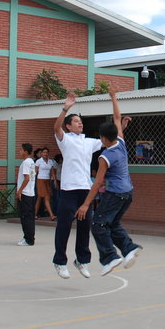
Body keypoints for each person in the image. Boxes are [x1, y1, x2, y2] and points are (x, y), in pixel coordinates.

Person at [76, 87, 141, 276]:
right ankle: (129, 248)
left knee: (98, 224)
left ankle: (110, 257)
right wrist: (113, 97)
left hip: (115, 194)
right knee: (112, 224)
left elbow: (97, 183)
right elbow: (117, 118)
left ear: (104, 138)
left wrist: (86, 205)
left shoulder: (105, 156)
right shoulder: (120, 142)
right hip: (128, 193)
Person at [52, 92, 101, 279]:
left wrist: (122, 126)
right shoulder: (65, 140)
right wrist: (66, 108)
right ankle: (59, 261)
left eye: (81, 121)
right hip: (68, 191)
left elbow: (109, 141)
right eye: (76, 121)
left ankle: (81, 260)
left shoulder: (89, 142)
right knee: (64, 226)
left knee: (85, 225)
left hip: (85, 190)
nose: (80, 123)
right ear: (68, 125)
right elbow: (56, 127)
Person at [16, 143, 36, 246]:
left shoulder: (25, 163)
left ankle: (28, 239)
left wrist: (19, 191)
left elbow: (27, 178)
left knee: (25, 217)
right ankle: (30, 237)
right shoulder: (32, 162)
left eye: (21, 150)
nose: (20, 151)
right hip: (31, 193)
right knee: (30, 217)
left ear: (25, 151)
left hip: (25, 194)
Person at [34, 148, 57, 220]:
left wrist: (55, 180)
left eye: (46, 152)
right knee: (46, 197)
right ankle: (51, 215)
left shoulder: (50, 161)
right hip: (40, 180)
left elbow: (52, 172)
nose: (45, 154)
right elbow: (35, 171)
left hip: (48, 180)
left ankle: (34, 214)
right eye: (44, 152)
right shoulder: (38, 161)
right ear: (41, 154)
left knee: (40, 198)